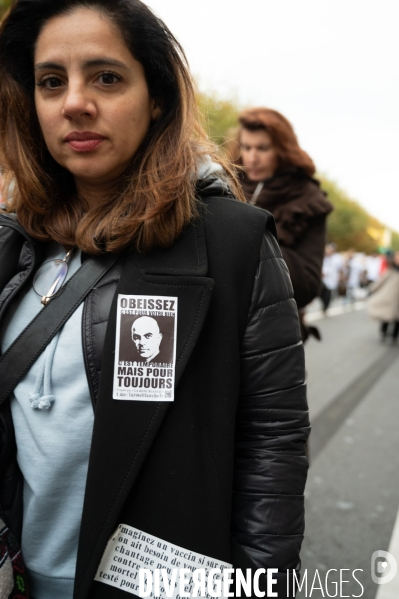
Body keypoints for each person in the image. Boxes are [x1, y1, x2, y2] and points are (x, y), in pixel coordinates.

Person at [0, 2, 309, 598]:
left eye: (107, 77)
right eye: (51, 81)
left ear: (158, 97)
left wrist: (264, 587)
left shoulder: (235, 243)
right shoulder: (15, 239)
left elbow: (273, 443)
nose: (75, 103)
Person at [229, 108, 333, 337]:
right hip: (221, 324)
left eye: (262, 148)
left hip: (274, 332)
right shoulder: (223, 183)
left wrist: (252, 240)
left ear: (282, 149)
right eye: (247, 147)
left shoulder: (308, 199)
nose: (252, 157)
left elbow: (307, 285)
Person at [367, 251, 399, 344]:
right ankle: (383, 333)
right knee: (386, 316)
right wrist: (371, 289)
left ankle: (394, 336)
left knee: (397, 319)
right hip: (390, 298)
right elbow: (380, 281)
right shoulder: (390, 270)